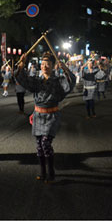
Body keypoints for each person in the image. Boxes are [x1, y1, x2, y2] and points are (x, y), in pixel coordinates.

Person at [15, 52, 76, 183]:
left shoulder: (58, 81)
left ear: (53, 66)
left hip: (51, 115)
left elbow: (70, 82)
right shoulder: (37, 81)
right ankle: (43, 172)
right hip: (38, 114)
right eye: (42, 64)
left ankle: (51, 172)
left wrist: (65, 69)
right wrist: (22, 64)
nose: (44, 66)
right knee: (38, 145)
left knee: (45, 143)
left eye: (48, 64)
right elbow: (23, 79)